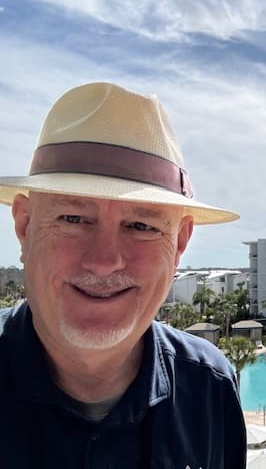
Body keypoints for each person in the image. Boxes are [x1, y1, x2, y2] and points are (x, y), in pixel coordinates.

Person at [0, 82, 247, 468]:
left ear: (180, 242)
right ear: (25, 226)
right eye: (73, 218)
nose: (104, 261)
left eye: (141, 226)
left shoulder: (210, 387)